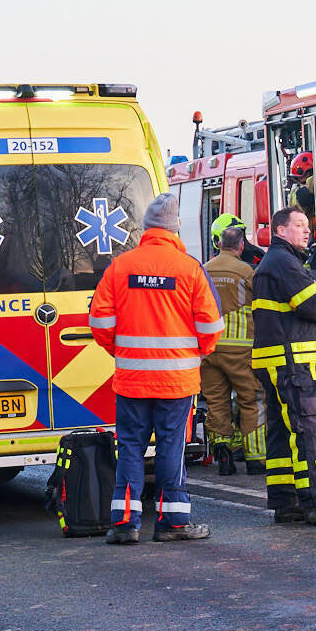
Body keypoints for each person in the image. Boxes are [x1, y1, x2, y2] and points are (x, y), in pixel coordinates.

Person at [89, 193, 223, 544]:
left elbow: (99, 321)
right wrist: (198, 354)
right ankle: (173, 522)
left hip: (132, 379)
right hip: (176, 382)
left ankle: (124, 525)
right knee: (171, 447)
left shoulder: (121, 266)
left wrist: (119, 351)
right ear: (175, 229)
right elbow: (211, 327)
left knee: (130, 448)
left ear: (146, 228)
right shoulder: (189, 268)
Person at [252, 205, 316, 526]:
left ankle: (284, 500)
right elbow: (311, 304)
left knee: (280, 431)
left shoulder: (272, 262)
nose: (307, 230)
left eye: (308, 225)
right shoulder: (285, 262)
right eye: (300, 225)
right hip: (291, 363)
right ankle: (314, 502)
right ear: (280, 231)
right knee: (307, 427)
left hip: (274, 361)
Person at [202, 216, 267, 476]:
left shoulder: (204, 270)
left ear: (218, 243)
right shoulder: (248, 272)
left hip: (210, 349)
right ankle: (255, 459)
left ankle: (223, 454)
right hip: (242, 349)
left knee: (216, 402)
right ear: (241, 246)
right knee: (251, 400)